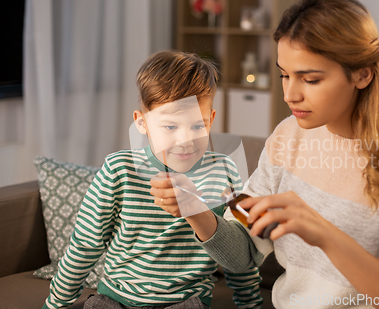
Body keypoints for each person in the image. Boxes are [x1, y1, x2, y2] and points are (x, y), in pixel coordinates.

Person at [152, 0, 379, 309]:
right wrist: (195, 209)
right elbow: (243, 253)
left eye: (310, 79)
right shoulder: (288, 135)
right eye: (284, 74)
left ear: (362, 74)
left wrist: (325, 234)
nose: (290, 94)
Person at [43, 50, 263, 309]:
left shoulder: (225, 171)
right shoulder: (119, 170)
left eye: (197, 126)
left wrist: (251, 304)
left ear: (211, 120)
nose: (185, 140)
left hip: (186, 302)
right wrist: (55, 304)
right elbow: (84, 246)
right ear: (142, 122)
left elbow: (241, 256)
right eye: (170, 127)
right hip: (114, 299)